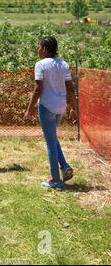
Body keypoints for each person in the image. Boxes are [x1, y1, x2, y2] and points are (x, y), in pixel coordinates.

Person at [24, 36, 78, 189]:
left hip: (47, 107)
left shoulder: (40, 65)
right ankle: (65, 166)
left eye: (39, 47)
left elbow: (37, 89)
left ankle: (55, 179)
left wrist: (29, 109)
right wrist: (74, 108)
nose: (38, 49)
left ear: (45, 49)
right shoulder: (64, 64)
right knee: (53, 138)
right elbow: (71, 89)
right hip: (61, 107)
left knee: (50, 142)